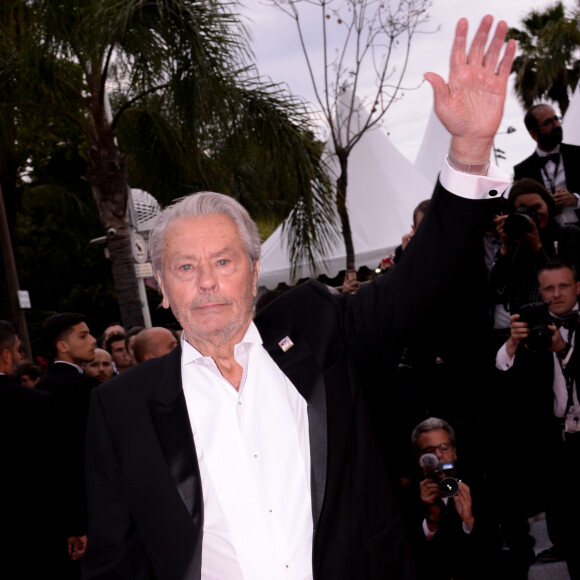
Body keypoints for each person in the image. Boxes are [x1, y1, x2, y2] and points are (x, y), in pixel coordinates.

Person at [83, 15, 515, 580]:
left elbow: (420, 280)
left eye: (223, 261)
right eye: (185, 267)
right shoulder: (123, 408)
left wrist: (470, 147)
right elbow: (116, 560)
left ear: (254, 270)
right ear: (160, 288)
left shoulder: (320, 330)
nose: (206, 281)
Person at [495, 260, 580, 578]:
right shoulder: (534, 324)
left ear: (578, 287)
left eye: (563, 286)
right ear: (540, 292)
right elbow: (502, 377)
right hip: (558, 444)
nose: (556, 294)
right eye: (549, 288)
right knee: (568, 534)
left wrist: (565, 349)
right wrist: (513, 343)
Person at [0, 320, 67, 577]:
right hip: (36, 530)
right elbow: (56, 466)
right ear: (6, 356)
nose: (20, 357)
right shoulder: (34, 402)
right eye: (18, 351)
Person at [36, 312, 99, 574]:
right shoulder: (87, 388)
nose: (93, 340)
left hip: (58, 513)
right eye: (83, 336)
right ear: (62, 345)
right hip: (93, 505)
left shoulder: (39, 388)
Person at [401, 417, 501, 580]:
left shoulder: (477, 487)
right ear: (419, 460)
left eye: (444, 447)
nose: (438, 455)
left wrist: (469, 521)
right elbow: (412, 560)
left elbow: (492, 551)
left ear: (454, 452)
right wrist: (431, 521)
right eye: (429, 451)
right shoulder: (409, 498)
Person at [489, 177, 580, 331]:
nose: (534, 214)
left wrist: (537, 247)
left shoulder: (568, 234)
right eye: (524, 210)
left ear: (548, 205)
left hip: (564, 324)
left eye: (537, 207)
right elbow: (496, 293)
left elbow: (570, 284)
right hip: (523, 326)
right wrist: (505, 249)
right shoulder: (515, 244)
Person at [513, 104, 580, 226]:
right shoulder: (522, 171)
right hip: (548, 237)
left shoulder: (578, 154)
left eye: (556, 119)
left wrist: (576, 199)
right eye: (548, 122)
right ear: (533, 134)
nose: (556, 125)